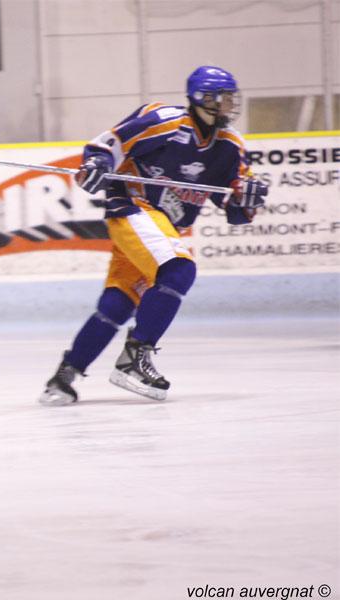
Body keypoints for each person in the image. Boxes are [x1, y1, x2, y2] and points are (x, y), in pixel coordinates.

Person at [40, 65, 269, 405]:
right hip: (131, 206)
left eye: (231, 99)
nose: (229, 106)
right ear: (202, 99)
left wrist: (246, 199)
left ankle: (64, 376)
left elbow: (235, 211)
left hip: (160, 227)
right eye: (223, 99)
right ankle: (134, 359)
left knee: (118, 304)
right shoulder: (161, 120)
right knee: (179, 269)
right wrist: (96, 166)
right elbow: (107, 145)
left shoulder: (230, 147)